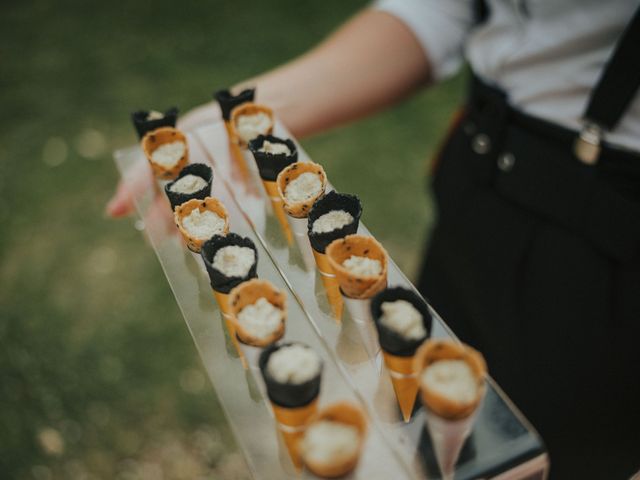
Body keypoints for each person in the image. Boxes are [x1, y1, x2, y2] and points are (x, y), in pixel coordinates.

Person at [107, 1, 640, 477]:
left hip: (612, 231)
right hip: (480, 182)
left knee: (559, 454)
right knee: (411, 421)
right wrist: (241, 123)